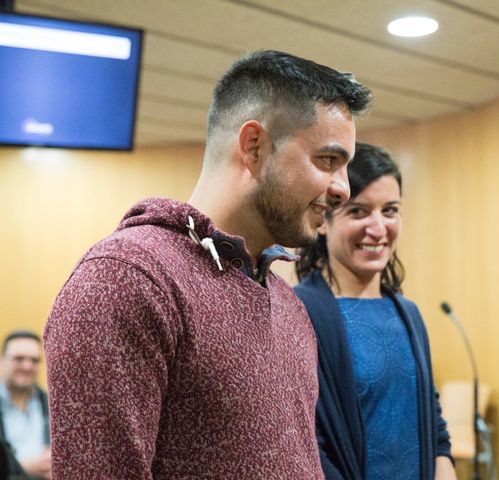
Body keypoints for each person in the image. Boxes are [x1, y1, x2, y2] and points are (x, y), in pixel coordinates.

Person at [44, 50, 372, 479]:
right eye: (327, 161)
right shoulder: (128, 280)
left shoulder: (288, 306)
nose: (343, 189)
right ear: (254, 147)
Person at [295, 143, 457, 480]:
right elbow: (306, 444)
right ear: (324, 220)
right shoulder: (299, 311)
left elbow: (434, 429)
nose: (378, 228)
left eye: (390, 210)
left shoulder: (407, 314)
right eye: (358, 211)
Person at [0, 331, 51, 480]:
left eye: (34, 360)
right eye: (19, 358)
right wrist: (21, 467)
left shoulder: (54, 407)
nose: (27, 366)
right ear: (2, 361)